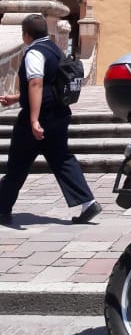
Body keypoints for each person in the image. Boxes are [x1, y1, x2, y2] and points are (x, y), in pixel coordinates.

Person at [0, 14, 101, 227]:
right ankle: (88, 202)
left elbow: (36, 84)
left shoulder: (34, 53)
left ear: (26, 35)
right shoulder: (55, 49)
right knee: (62, 159)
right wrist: (17, 98)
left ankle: (2, 208)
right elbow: (50, 84)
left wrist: (34, 119)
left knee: (18, 164)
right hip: (59, 114)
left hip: (40, 118)